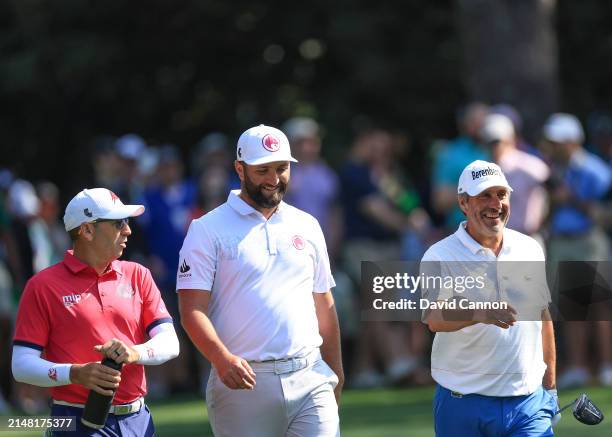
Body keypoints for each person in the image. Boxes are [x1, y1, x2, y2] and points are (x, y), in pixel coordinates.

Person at [177, 124, 343, 436]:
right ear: (240, 169)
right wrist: (221, 359)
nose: (273, 179)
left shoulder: (307, 224)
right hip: (242, 382)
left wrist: (337, 372)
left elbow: (324, 303)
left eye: (282, 168)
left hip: (311, 376)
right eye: (262, 170)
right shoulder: (206, 229)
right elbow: (191, 311)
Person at [11, 188, 179, 436]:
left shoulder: (138, 274)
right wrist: (75, 374)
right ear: (87, 230)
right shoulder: (42, 285)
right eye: (118, 223)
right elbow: (22, 365)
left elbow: (170, 342)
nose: (128, 230)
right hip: (74, 421)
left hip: (138, 420)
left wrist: (134, 352)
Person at [421, 160, 558, 436]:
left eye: (501, 194)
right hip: (462, 401)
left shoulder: (530, 247)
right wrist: (480, 312)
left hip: (528, 401)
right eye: (484, 195)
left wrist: (551, 386)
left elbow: (543, 317)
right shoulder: (439, 255)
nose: (495, 203)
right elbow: (434, 318)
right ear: (463, 203)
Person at [541, 113, 612, 388]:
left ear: (573, 141)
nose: (553, 146)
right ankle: (579, 368)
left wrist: (569, 199)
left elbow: (603, 214)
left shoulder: (594, 169)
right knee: (572, 306)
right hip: (562, 241)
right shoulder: (554, 169)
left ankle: (606, 365)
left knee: (599, 305)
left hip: (588, 240)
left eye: (558, 142)